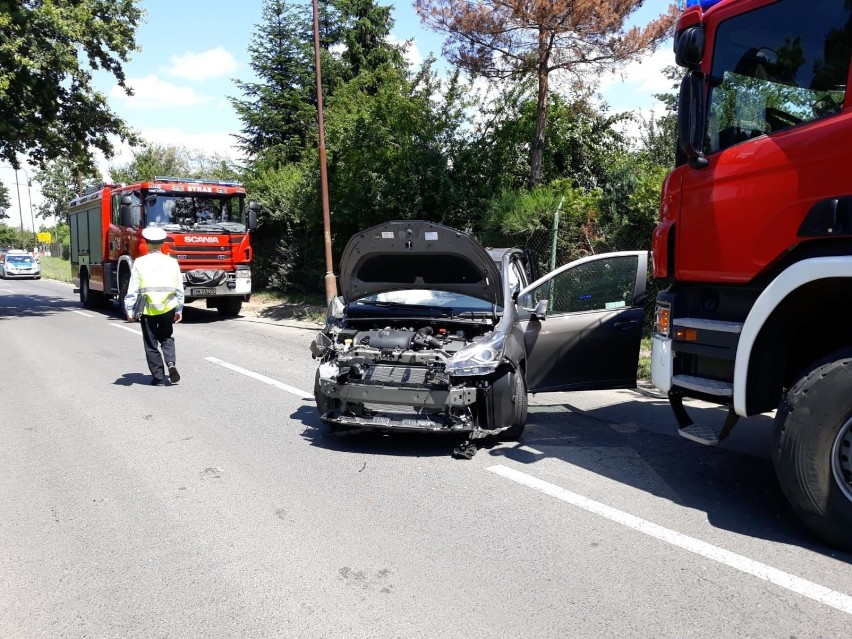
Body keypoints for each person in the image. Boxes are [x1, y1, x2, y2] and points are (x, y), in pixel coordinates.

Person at [124, 226, 185, 386]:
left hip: (147, 308)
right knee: (166, 337)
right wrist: (179, 309)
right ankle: (171, 363)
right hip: (168, 307)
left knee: (151, 343)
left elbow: (133, 289)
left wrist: (130, 310)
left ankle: (158, 378)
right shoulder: (172, 262)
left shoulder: (139, 263)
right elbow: (179, 288)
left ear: (147, 244)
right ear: (163, 243)